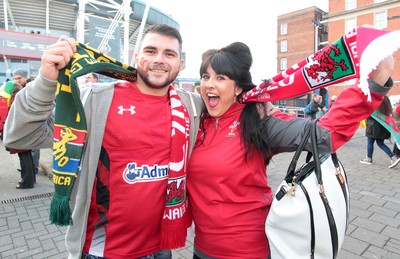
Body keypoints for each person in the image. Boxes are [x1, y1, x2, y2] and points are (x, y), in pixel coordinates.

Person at [4, 24, 203, 259]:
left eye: (169, 54)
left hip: (161, 248)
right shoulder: (96, 99)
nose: (159, 59)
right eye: (151, 51)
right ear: (137, 57)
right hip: (102, 251)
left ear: (180, 65)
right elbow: (22, 136)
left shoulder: (192, 107)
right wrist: (46, 81)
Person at [186, 42, 394, 258]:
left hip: (246, 250)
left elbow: (324, 135)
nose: (209, 84)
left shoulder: (259, 121)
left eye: (220, 78)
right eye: (205, 76)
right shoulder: (195, 122)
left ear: (238, 87)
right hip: (201, 249)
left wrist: (372, 86)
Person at [0, 81, 34, 189]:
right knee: (27, 155)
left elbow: (15, 115)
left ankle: (26, 181)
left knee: (24, 157)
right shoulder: (24, 94)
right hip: (26, 130)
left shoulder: (17, 96)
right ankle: (31, 179)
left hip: (20, 131)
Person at [13, 69, 41, 180]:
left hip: (34, 122)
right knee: (28, 149)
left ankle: (33, 169)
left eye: (19, 78)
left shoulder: (31, 87)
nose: (17, 80)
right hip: (26, 122)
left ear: (25, 77)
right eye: (15, 78)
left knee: (34, 148)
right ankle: (29, 169)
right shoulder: (19, 88)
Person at [360, 96, 400, 168]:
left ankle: (369, 159)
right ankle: (393, 157)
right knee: (380, 143)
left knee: (370, 142)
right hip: (383, 127)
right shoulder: (386, 103)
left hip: (373, 127)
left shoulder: (374, 105)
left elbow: (369, 115)